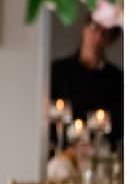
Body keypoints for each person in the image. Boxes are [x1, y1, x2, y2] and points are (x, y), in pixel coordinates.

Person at [50, 14, 122, 147]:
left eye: (106, 32)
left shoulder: (117, 80)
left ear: (112, 39)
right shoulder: (58, 71)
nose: (99, 36)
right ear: (85, 28)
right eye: (95, 28)